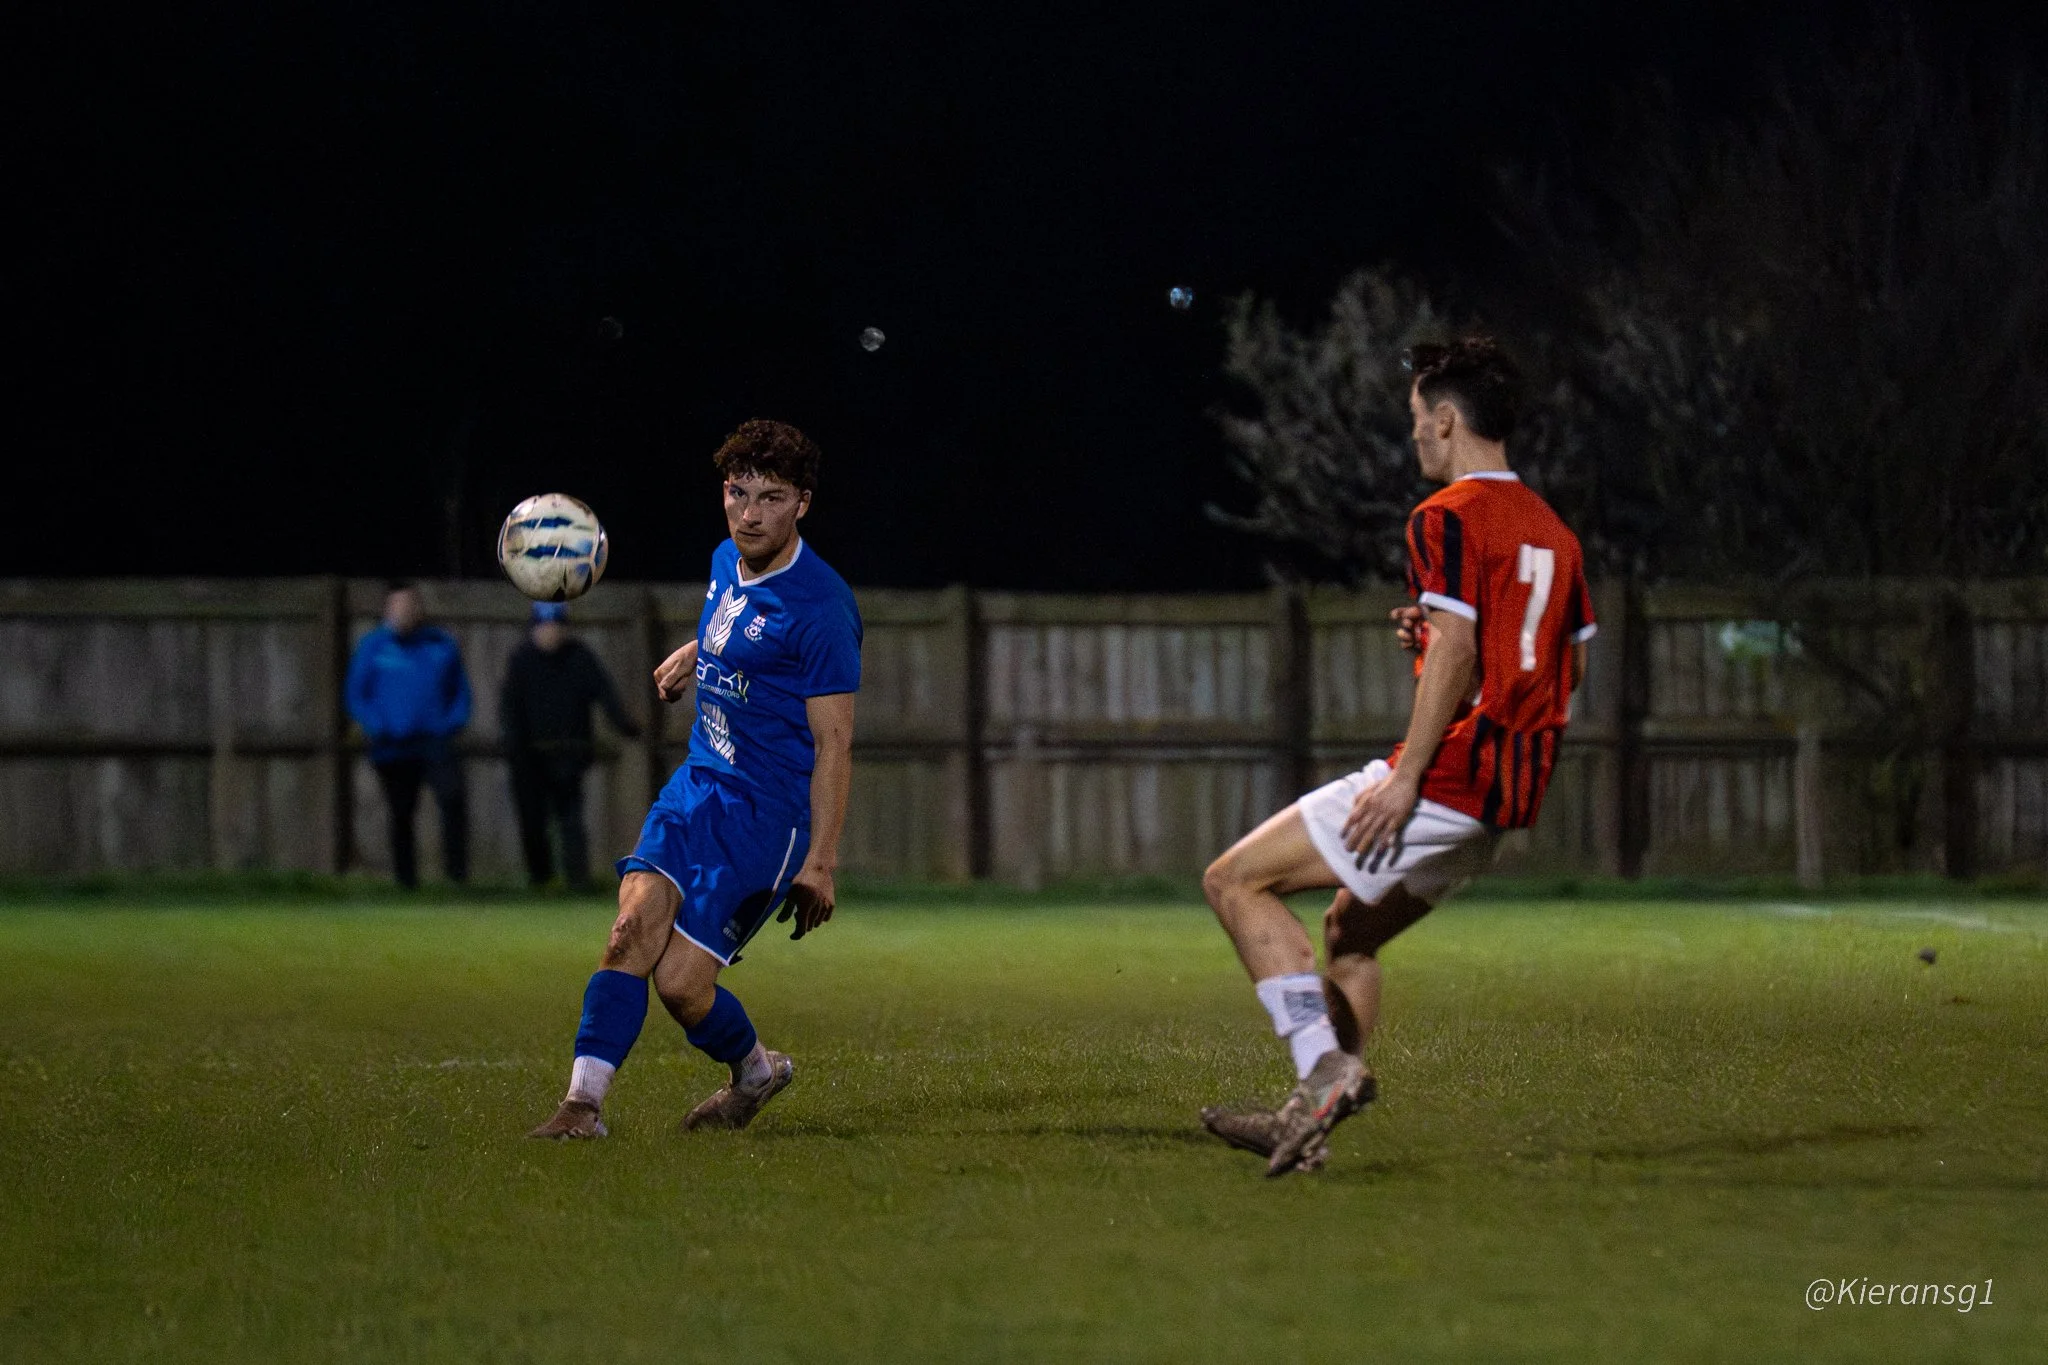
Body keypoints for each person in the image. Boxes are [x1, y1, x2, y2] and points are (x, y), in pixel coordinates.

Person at [1198, 337, 1597, 1176]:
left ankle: (1324, 1068)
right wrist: (1451, 644)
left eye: (1417, 419)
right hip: (1507, 799)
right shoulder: (1557, 534)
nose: (1413, 435)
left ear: (1446, 420)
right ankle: (1306, 1119)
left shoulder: (1446, 515)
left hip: (1449, 777)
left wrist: (1408, 775)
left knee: (1235, 880)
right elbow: (1566, 663)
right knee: (1348, 932)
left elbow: (1457, 646)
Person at [528, 419, 861, 1140]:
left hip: (765, 817)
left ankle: (755, 1074)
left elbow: (835, 742)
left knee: (681, 986)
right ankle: (581, 1109)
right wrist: (694, 655)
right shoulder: (724, 559)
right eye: (739, 493)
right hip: (697, 785)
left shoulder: (823, 608)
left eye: (771, 498)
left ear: (802, 502)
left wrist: (822, 861)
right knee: (627, 931)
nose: (750, 513)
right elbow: (740, 628)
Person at [500, 601, 642, 889]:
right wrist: (515, 749)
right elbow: (509, 709)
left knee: (571, 821)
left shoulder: (579, 657)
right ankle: (540, 879)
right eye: (544, 626)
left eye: (556, 626)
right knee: (533, 821)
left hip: (568, 754)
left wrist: (625, 725)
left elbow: (604, 692)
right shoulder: (521, 660)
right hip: (530, 757)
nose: (550, 633)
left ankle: (577, 881)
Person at [345, 582, 474, 888]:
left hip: (434, 741)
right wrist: (378, 726)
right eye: (397, 607)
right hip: (393, 744)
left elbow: (461, 693)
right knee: (401, 811)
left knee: (452, 798)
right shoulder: (373, 646)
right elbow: (356, 694)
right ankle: (407, 882)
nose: (403, 613)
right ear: (388, 611)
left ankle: (457, 879)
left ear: (419, 610)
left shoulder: (440, 644)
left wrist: (450, 723)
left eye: (409, 606)